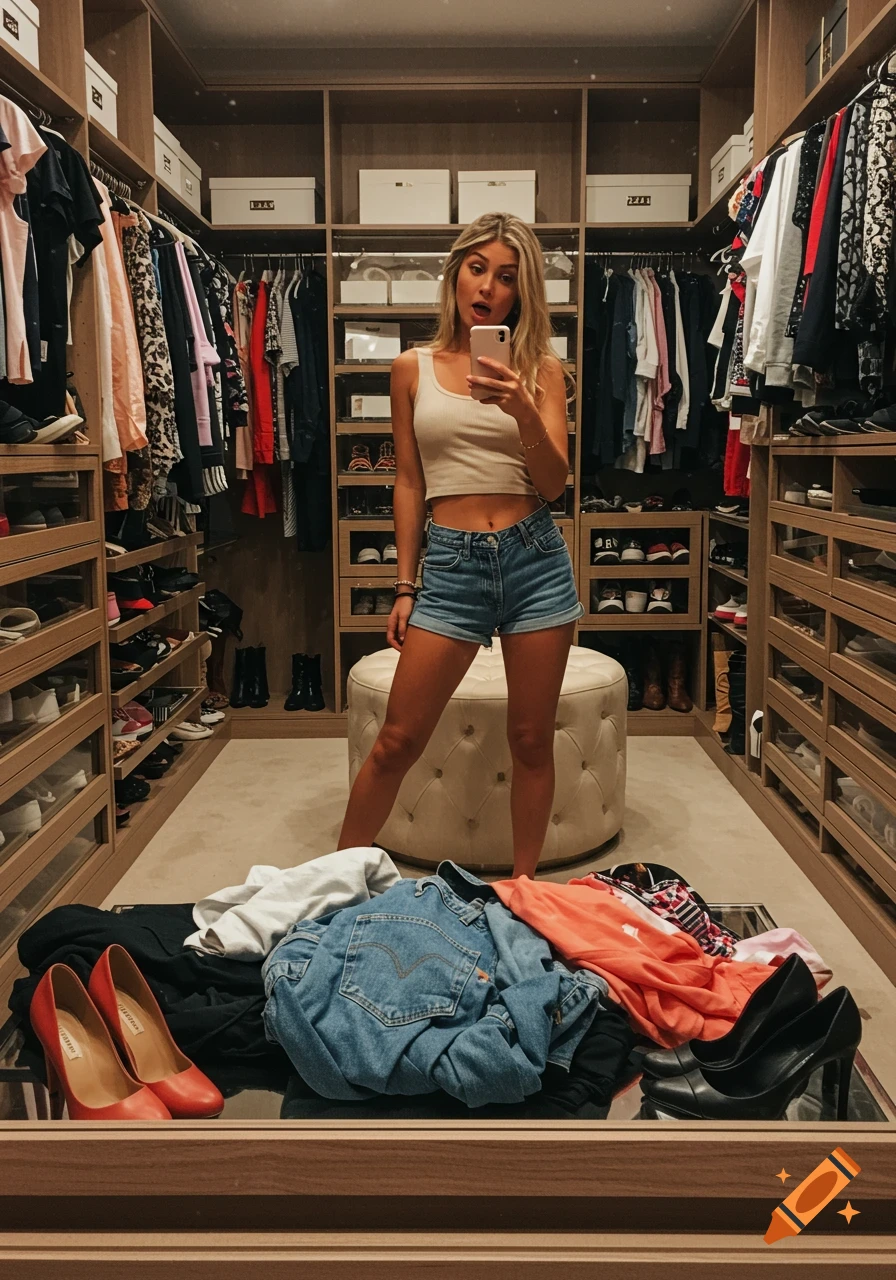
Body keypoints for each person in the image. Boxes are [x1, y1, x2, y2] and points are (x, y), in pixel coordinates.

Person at [337, 212, 583, 877]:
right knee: (396, 739)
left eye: (507, 277)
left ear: (521, 292)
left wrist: (522, 408)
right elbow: (410, 483)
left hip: (535, 560)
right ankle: (329, 885)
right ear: (454, 276)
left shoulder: (542, 369)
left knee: (531, 739)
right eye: (477, 269)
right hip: (449, 565)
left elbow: (555, 484)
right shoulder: (409, 368)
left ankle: (525, 893)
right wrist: (405, 584)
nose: (488, 288)